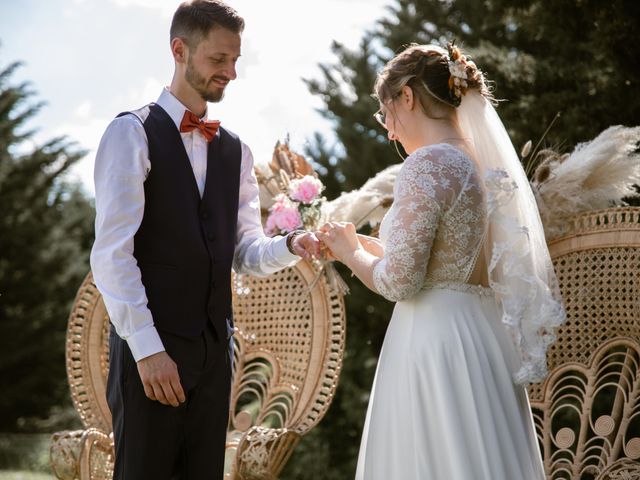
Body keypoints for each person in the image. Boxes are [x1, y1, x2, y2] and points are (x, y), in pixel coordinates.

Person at [89, 1, 320, 478]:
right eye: (219, 60)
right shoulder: (130, 134)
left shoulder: (237, 151)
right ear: (180, 50)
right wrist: (149, 350)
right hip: (149, 351)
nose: (231, 72)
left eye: (236, 60)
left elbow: (243, 251)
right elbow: (112, 255)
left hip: (216, 358)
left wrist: (290, 245)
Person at [317, 43, 566, 479]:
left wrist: (347, 251)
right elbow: (450, 260)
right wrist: (365, 246)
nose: (389, 130)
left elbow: (399, 283)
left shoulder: (428, 164)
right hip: (479, 337)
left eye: (386, 113)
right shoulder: (479, 162)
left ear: (407, 98)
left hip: (433, 345)